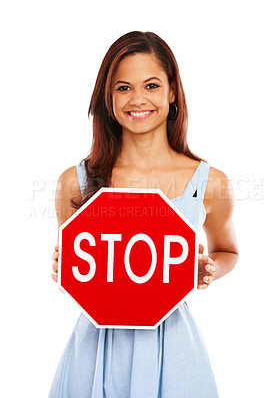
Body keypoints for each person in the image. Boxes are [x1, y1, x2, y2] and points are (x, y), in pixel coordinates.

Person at [49, 31, 239, 398]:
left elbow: (227, 251)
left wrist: (209, 270)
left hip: (174, 352)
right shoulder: (75, 182)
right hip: (94, 354)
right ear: (107, 99)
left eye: (151, 85)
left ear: (172, 92)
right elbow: (84, 271)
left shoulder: (210, 182)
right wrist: (65, 268)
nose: (137, 100)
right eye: (123, 88)